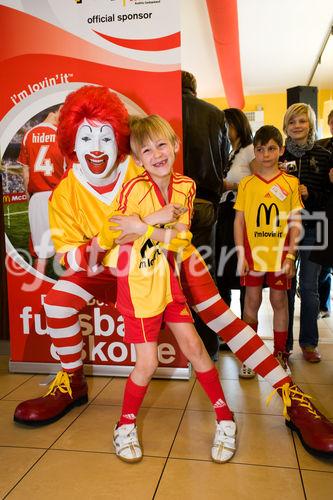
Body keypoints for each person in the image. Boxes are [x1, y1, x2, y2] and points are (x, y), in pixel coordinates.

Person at [13, 85, 333, 459]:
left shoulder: (141, 162)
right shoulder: (65, 193)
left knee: (221, 318)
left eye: (104, 134)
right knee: (58, 301)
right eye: (85, 135)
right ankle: (72, 381)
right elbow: (68, 259)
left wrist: (137, 230)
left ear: (119, 138)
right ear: (71, 140)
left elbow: (173, 234)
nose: (96, 146)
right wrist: (117, 247)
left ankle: (291, 396)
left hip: (167, 256)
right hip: (111, 263)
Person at [100, 115, 236, 464]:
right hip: (137, 283)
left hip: (168, 277)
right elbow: (114, 234)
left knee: (195, 347)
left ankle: (225, 418)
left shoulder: (187, 185)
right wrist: (155, 219)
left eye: (162, 144)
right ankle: (124, 424)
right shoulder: (132, 188)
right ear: (138, 159)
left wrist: (144, 225)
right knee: (145, 362)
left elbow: (181, 238)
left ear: (175, 145)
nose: (156, 154)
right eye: (146, 150)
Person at [234, 125, 303, 377]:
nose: (265, 154)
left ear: (281, 150)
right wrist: (241, 254)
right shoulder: (246, 184)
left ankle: (280, 354)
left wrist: (291, 255)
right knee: (251, 302)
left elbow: (296, 223)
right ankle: (250, 357)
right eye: (260, 149)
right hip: (253, 254)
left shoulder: (291, 183)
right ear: (255, 151)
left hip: (280, 254)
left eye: (272, 148)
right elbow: (238, 221)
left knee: (279, 302)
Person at [182, 70, 229, 359]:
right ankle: (208, 347)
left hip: (170, 203)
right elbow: (223, 160)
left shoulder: (162, 106)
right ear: (194, 87)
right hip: (205, 203)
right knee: (203, 277)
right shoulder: (214, 114)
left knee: (170, 277)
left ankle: (179, 349)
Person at [280, 103, 332, 362]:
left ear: (310, 123)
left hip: (314, 227)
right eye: (292, 122)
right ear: (286, 126)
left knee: (309, 287)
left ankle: (309, 344)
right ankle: (284, 344)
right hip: (284, 231)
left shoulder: (323, 155)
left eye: (302, 121)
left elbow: (330, 195)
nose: (297, 126)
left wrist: (310, 194)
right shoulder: (278, 154)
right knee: (286, 287)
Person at [215, 108, 255, 376]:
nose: (223, 129)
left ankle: (243, 335)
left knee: (239, 276)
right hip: (224, 216)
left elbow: (255, 184)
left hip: (240, 217)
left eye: (225, 124)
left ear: (236, 125)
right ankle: (227, 334)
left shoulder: (252, 151)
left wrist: (229, 186)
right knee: (224, 274)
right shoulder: (231, 152)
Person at [18, 105, 66, 274]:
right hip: (58, 197)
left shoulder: (28, 135)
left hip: (37, 198)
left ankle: (39, 288)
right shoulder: (61, 136)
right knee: (65, 248)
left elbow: (25, 174)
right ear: (57, 111)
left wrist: (28, 196)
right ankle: (66, 294)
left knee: (41, 252)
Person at [315, 110, 333, 318]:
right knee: (322, 268)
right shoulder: (324, 147)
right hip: (322, 215)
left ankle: (323, 304)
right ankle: (322, 305)